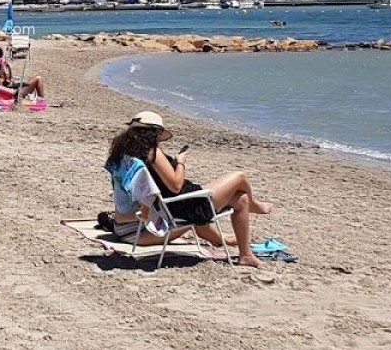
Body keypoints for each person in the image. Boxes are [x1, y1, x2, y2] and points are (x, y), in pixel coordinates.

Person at [106, 111, 273, 267]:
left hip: (133, 224)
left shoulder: (125, 155)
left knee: (241, 199)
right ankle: (254, 206)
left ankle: (244, 254)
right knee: (240, 177)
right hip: (167, 214)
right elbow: (176, 186)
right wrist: (180, 162)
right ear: (154, 133)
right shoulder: (152, 152)